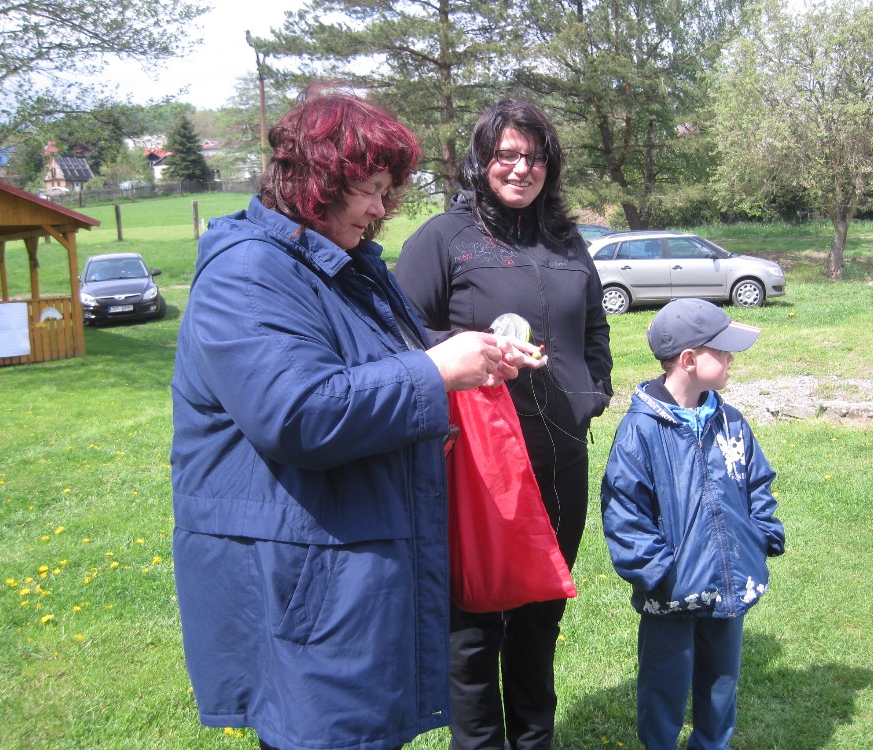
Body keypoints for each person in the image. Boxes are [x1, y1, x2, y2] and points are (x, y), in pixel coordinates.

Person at [169, 88, 545, 750]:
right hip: (305, 581)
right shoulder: (249, 274)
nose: (379, 210)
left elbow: (374, 359)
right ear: (314, 183)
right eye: (368, 190)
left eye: (385, 192)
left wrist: (469, 354)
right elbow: (298, 412)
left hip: (347, 565)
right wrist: (435, 371)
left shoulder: (338, 265)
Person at [394, 98, 613, 750]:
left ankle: (534, 741)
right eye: (507, 155)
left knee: (541, 618)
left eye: (534, 156)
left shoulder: (567, 241)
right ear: (481, 161)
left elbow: (594, 328)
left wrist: (593, 393)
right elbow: (400, 335)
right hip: (478, 463)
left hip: (559, 460)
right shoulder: (444, 238)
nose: (521, 168)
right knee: (474, 627)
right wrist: (471, 355)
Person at [600, 298, 786, 750]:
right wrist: (659, 574)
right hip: (672, 593)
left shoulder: (731, 422)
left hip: (730, 583)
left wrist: (762, 535)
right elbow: (625, 513)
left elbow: (757, 484)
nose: (731, 358)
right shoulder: (641, 431)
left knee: (721, 685)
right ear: (688, 360)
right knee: (664, 687)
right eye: (721, 350)